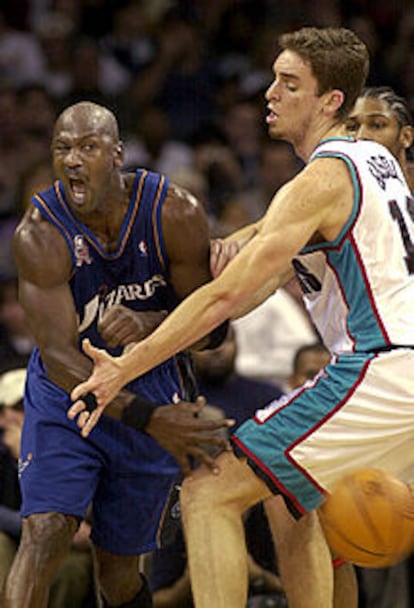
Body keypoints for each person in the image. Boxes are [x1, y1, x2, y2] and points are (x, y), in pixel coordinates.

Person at [70, 26, 414, 608]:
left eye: (290, 84)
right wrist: (241, 244)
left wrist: (123, 368)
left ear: (331, 101)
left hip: (380, 366)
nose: (270, 94)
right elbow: (268, 261)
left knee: (210, 490)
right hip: (396, 370)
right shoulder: (374, 159)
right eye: (274, 79)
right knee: (288, 499)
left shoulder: (322, 177)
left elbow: (229, 297)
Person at [2, 101, 233, 608]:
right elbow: (60, 356)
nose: (73, 159)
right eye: (62, 148)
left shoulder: (176, 211)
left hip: (152, 381)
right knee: (44, 532)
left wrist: (152, 324)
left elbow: (215, 333)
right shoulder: (39, 233)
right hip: (72, 392)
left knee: (117, 572)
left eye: (88, 146)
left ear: (118, 154)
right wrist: (149, 419)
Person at [342, 86, 414, 608]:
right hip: (377, 377)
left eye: (378, 126)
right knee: (367, 525)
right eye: (355, 127)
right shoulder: (345, 196)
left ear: (405, 137)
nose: (364, 138)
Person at [0, 368, 97, 607]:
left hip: (62, 543)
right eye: (22, 407)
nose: (33, 412)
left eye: (39, 402)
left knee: (72, 570)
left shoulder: (70, 444)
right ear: (3, 416)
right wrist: (22, 459)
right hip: (18, 535)